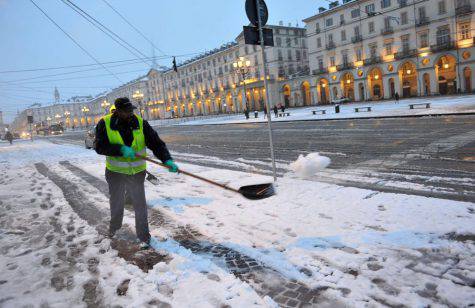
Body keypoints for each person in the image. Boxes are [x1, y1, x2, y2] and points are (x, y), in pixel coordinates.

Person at [95, 97, 178, 249]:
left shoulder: (140, 123)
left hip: (137, 173)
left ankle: (144, 236)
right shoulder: (105, 123)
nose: (130, 113)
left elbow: (156, 143)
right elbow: (99, 146)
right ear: (117, 111)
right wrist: (120, 149)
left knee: (140, 204)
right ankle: (114, 228)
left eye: (131, 110)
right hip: (115, 172)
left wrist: (167, 159)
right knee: (117, 202)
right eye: (126, 111)